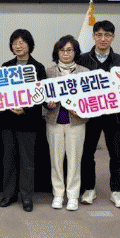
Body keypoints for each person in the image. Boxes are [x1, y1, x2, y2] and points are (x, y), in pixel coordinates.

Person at [77, 20, 120, 209]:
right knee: (87, 153)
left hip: (114, 116)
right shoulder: (82, 59)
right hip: (89, 116)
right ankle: (89, 188)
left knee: (116, 154)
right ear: (93, 36)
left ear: (113, 37)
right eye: (99, 35)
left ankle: (116, 191)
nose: (103, 39)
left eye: (107, 35)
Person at [0, 29, 47, 212]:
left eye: (22, 42)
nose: (18, 46)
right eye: (14, 43)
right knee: (8, 160)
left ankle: (26, 196)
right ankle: (9, 194)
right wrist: (9, 106)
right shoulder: (6, 66)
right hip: (8, 120)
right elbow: (0, 93)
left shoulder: (38, 67)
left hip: (28, 121)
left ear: (29, 45)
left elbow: (41, 95)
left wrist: (25, 109)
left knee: (27, 161)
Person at [45, 35, 89, 211]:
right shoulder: (49, 72)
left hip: (76, 123)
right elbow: (42, 97)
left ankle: (73, 196)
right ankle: (58, 194)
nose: (65, 53)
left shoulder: (84, 72)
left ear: (76, 52)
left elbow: (90, 100)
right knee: (56, 160)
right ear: (57, 52)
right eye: (62, 50)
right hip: (54, 121)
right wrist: (47, 104)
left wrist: (82, 110)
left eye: (69, 50)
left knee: (74, 160)